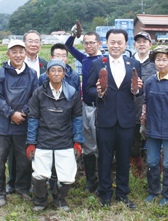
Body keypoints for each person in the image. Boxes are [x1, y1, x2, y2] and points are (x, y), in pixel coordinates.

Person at [87, 29, 143, 208]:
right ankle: (105, 194)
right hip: (105, 118)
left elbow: (136, 90)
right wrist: (99, 92)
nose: (116, 45)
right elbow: (88, 90)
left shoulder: (134, 63)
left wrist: (138, 89)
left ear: (126, 45)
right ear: (106, 43)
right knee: (104, 158)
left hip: (126, 118)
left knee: (124, 157)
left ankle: (122, 193)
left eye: (120, 42)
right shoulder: (97, 64)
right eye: (112, 42)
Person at [26, 59, 84, 212]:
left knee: (67, 176)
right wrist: (31, 142)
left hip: (64, 139)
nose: (56, 73)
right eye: (53, 70)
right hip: (43, 139)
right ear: (47, 73)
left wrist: (77, 141)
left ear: (64, 74)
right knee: (39, 175)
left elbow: (77, 118)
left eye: (60, 70)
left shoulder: (72, 94)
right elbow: (33, 118)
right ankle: (40, 201)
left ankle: (59, 199)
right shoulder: (39, 93)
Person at [0, 40, 38, 207]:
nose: (18, 55)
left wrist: (22, 113)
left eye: (21, 51)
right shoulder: (0, 73)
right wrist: (11, 114)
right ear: (8, 54)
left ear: (25, 54)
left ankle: (22, 188)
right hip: (2, 126)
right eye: (14, 51)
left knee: (24, 160)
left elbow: (34, 97)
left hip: (22, 124)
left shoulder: (32, 74)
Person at [140, 45, 168, 205]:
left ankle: (167, 194)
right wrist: (143, 124)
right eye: (158, 59)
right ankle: (153, 191)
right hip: (152, 129)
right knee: (152, 162)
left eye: (164, 59)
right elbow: (145, 103)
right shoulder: (150, 81)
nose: (160, 62)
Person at [6, 30, 49, 195]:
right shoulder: (12, 64)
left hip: (41, 112)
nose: (34, 44)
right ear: (24, 44)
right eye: (30, 41)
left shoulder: (46, 64)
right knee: (15, 149)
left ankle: (33, 181)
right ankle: (12, 181)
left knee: (36, 146)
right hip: (19, 112)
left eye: (37, 41)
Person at [65, 25, 103, 193]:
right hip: (85, 106)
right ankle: (91, 181)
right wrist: (73, 35)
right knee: (88, 145)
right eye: (86, 43)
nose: (89, 46)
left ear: (99, 44)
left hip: (101, 108)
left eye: (92, 43)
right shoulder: (84, 59)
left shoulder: (105, 60)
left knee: (101, 145)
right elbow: (67, 47)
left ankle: (103, 181)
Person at [130, 32, 157, 178]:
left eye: (145, 41)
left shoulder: (155, 63)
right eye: (138, 41)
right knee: (134, 146)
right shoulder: (127, 61)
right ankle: (137, 175)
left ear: (150, 45)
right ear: (134, 44)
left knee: (153, 145)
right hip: (131, 111)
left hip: (152, 112)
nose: (141, 44)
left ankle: (154, 175)